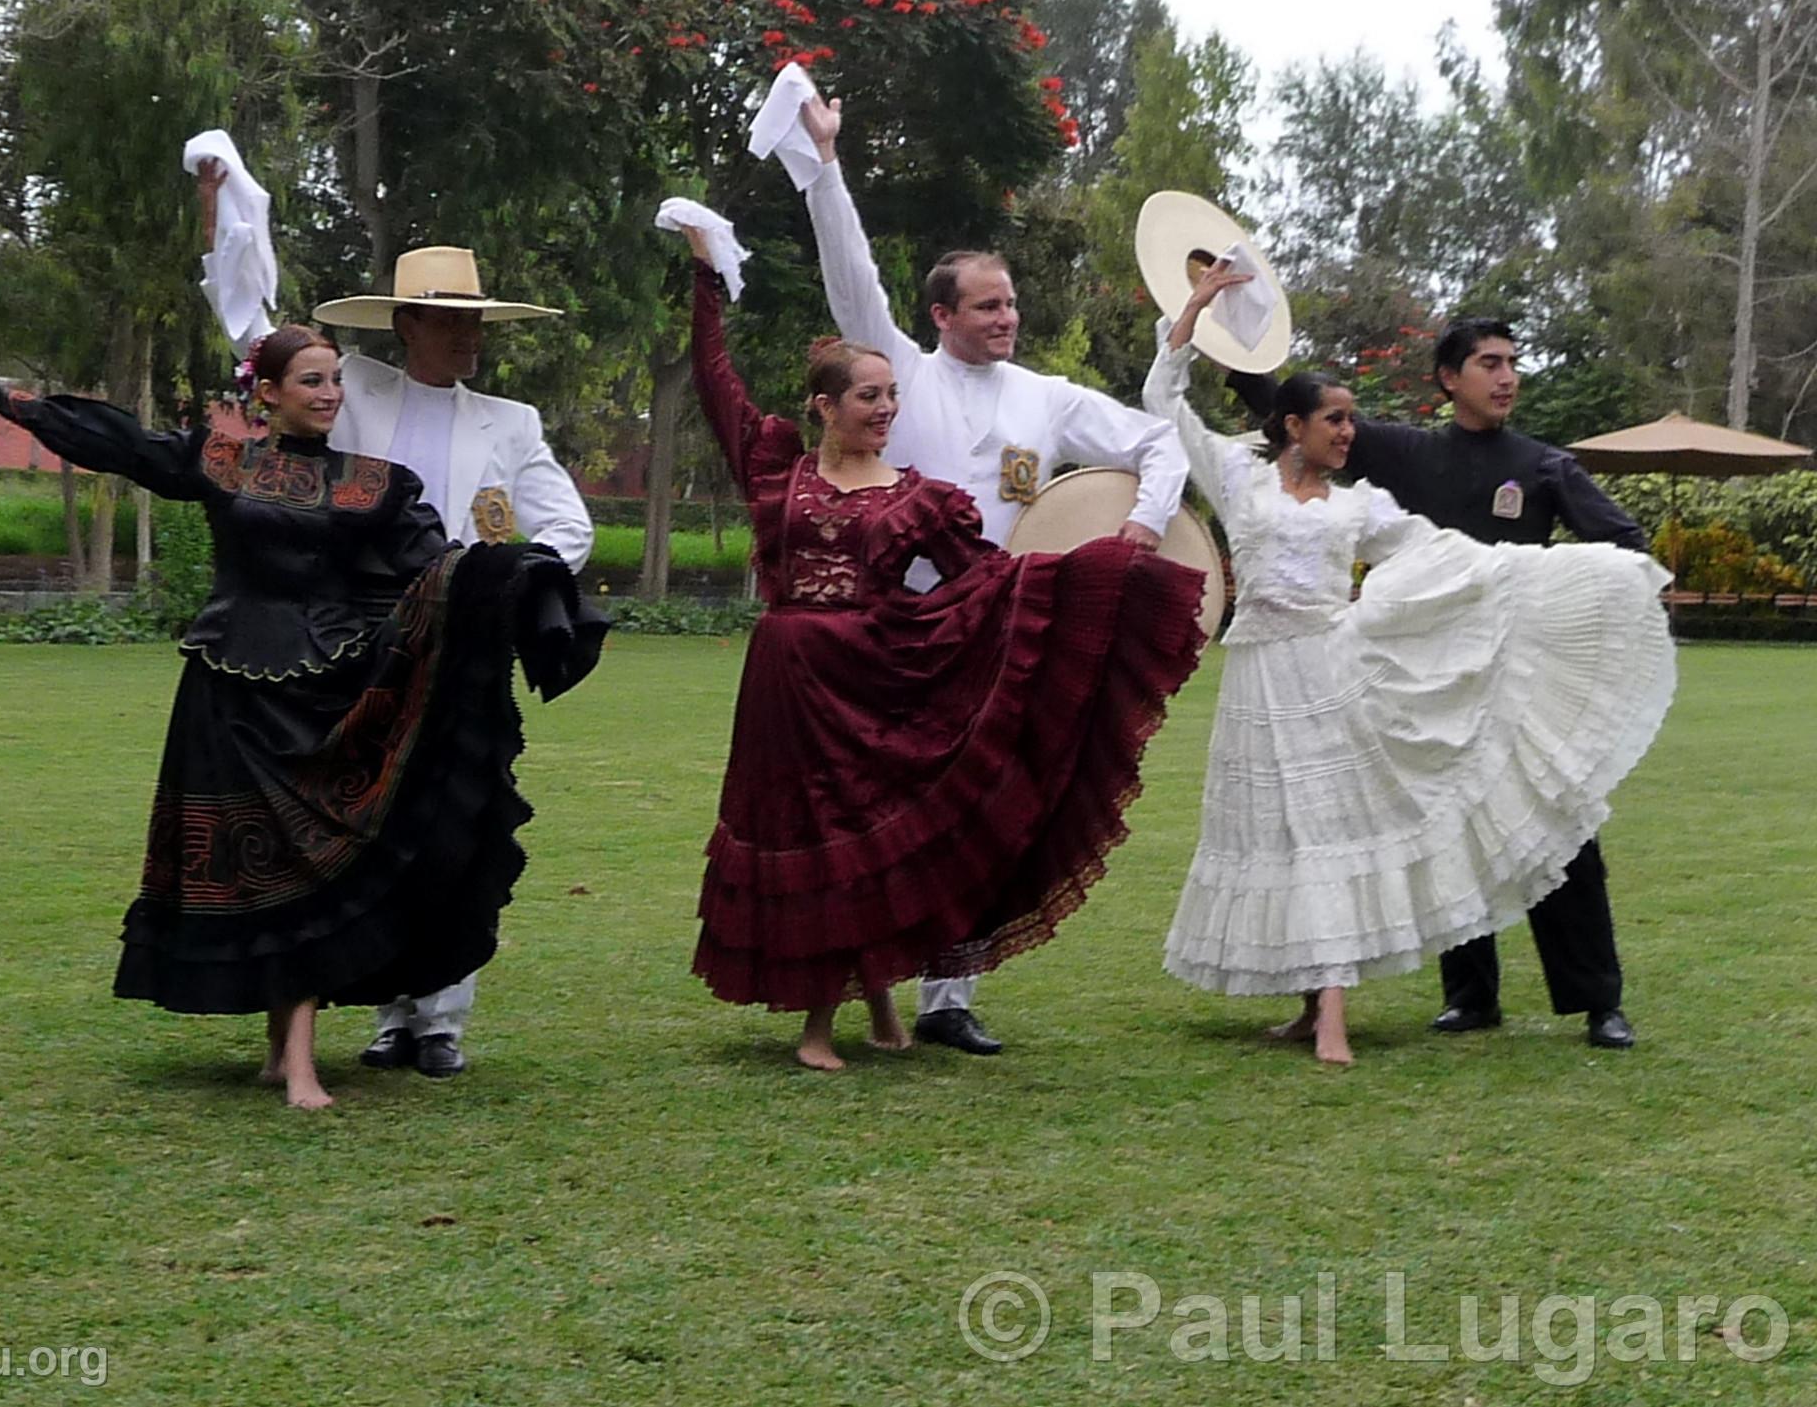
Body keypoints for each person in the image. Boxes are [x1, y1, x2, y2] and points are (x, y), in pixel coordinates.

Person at [0, 326, 604, 1108]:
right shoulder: (223, 461)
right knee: (255, 864)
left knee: (309, 864)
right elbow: (125, 444)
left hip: (324, 689)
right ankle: (289, 1059)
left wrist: (521, 574)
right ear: (270, 392)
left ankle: (299, 1057)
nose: (328, 396)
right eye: (312, 382)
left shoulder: (378, 483)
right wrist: (10, 402)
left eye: (334, 383)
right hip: (227, 687)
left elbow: (443, 565)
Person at [674, 227, 1208, 1071]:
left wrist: (1092, 576)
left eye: (892, 398)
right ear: (826, 406)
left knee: (868, 826)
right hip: (783, 674)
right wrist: (706, 282)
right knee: (802, 821)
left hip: (874, 667)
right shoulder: (776, 470)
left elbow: (993, 579)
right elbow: (716, 383)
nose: (888, 411)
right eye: (870, 399)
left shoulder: (920, 495)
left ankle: (871, 1009)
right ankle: (849, 1015)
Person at [1148, 266, 1675, 1064]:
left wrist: (1590, 578)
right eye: (1490, 362)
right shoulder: (1398, 452)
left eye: (1511, 362)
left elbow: (1588, 539)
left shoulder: (1540, 465)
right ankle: (1470, 996)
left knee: (1554, 827)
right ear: (1449, 378)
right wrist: (1211, 307)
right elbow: (1274, 401)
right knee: (1434, 810)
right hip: (1392, 664)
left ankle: (1598, 1000)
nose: (1507, 375)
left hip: (1505, 657)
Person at [795, 96, 1192, 1057]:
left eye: (1011, 302)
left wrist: (1140, 527)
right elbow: (849, 271)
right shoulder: (901, 372)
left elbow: (1153, 441)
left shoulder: (1046, 397)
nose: (1007, 316)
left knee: (983, 800)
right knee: (885, 800)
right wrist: (825, 159)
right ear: (941, 316)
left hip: (1001, 629)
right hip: (896, 621)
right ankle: (868, 978)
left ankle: (950, 994)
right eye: (987, 304)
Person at [195, 161, 596, 1080]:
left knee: (457, 817)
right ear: (407, 324)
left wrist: (503, 581)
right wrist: (222, 219)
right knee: (366, 822)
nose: (468, 337)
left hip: (462, 645)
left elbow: (568, 526)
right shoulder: (355, 390)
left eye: (475, 322)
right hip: (357, 645)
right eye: (451, 321)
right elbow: (257, 330)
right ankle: (386, 1011)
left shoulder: (510, 421)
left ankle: (442, 1016)